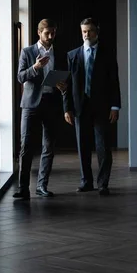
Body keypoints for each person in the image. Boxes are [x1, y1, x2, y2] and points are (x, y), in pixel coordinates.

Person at [63, 18, 121, 195]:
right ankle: (86, 181)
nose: (87, 34)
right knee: (83, 146)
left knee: (103, 146)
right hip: (81, 107)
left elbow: (114, 82)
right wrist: (67, 108)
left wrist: (115, 107)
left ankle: (103, 183)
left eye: (90, 31)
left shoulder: (107, 53)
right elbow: (68, 84)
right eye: (84, 32)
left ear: (97, 31)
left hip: (102, 107)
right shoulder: (72, 55)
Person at [13, 19, 67, 199]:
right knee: (26, 146)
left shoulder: (58, 53)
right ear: (39, 33)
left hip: (51, 102)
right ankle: (23, 189)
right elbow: (20, 77)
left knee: (48, 147)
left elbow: (65, 76)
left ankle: (42, 186)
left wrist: (62, 85)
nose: (51, 37)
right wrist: (35, 67)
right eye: (47, 33)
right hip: (30, 104)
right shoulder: (27, 52)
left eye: (53, 33)